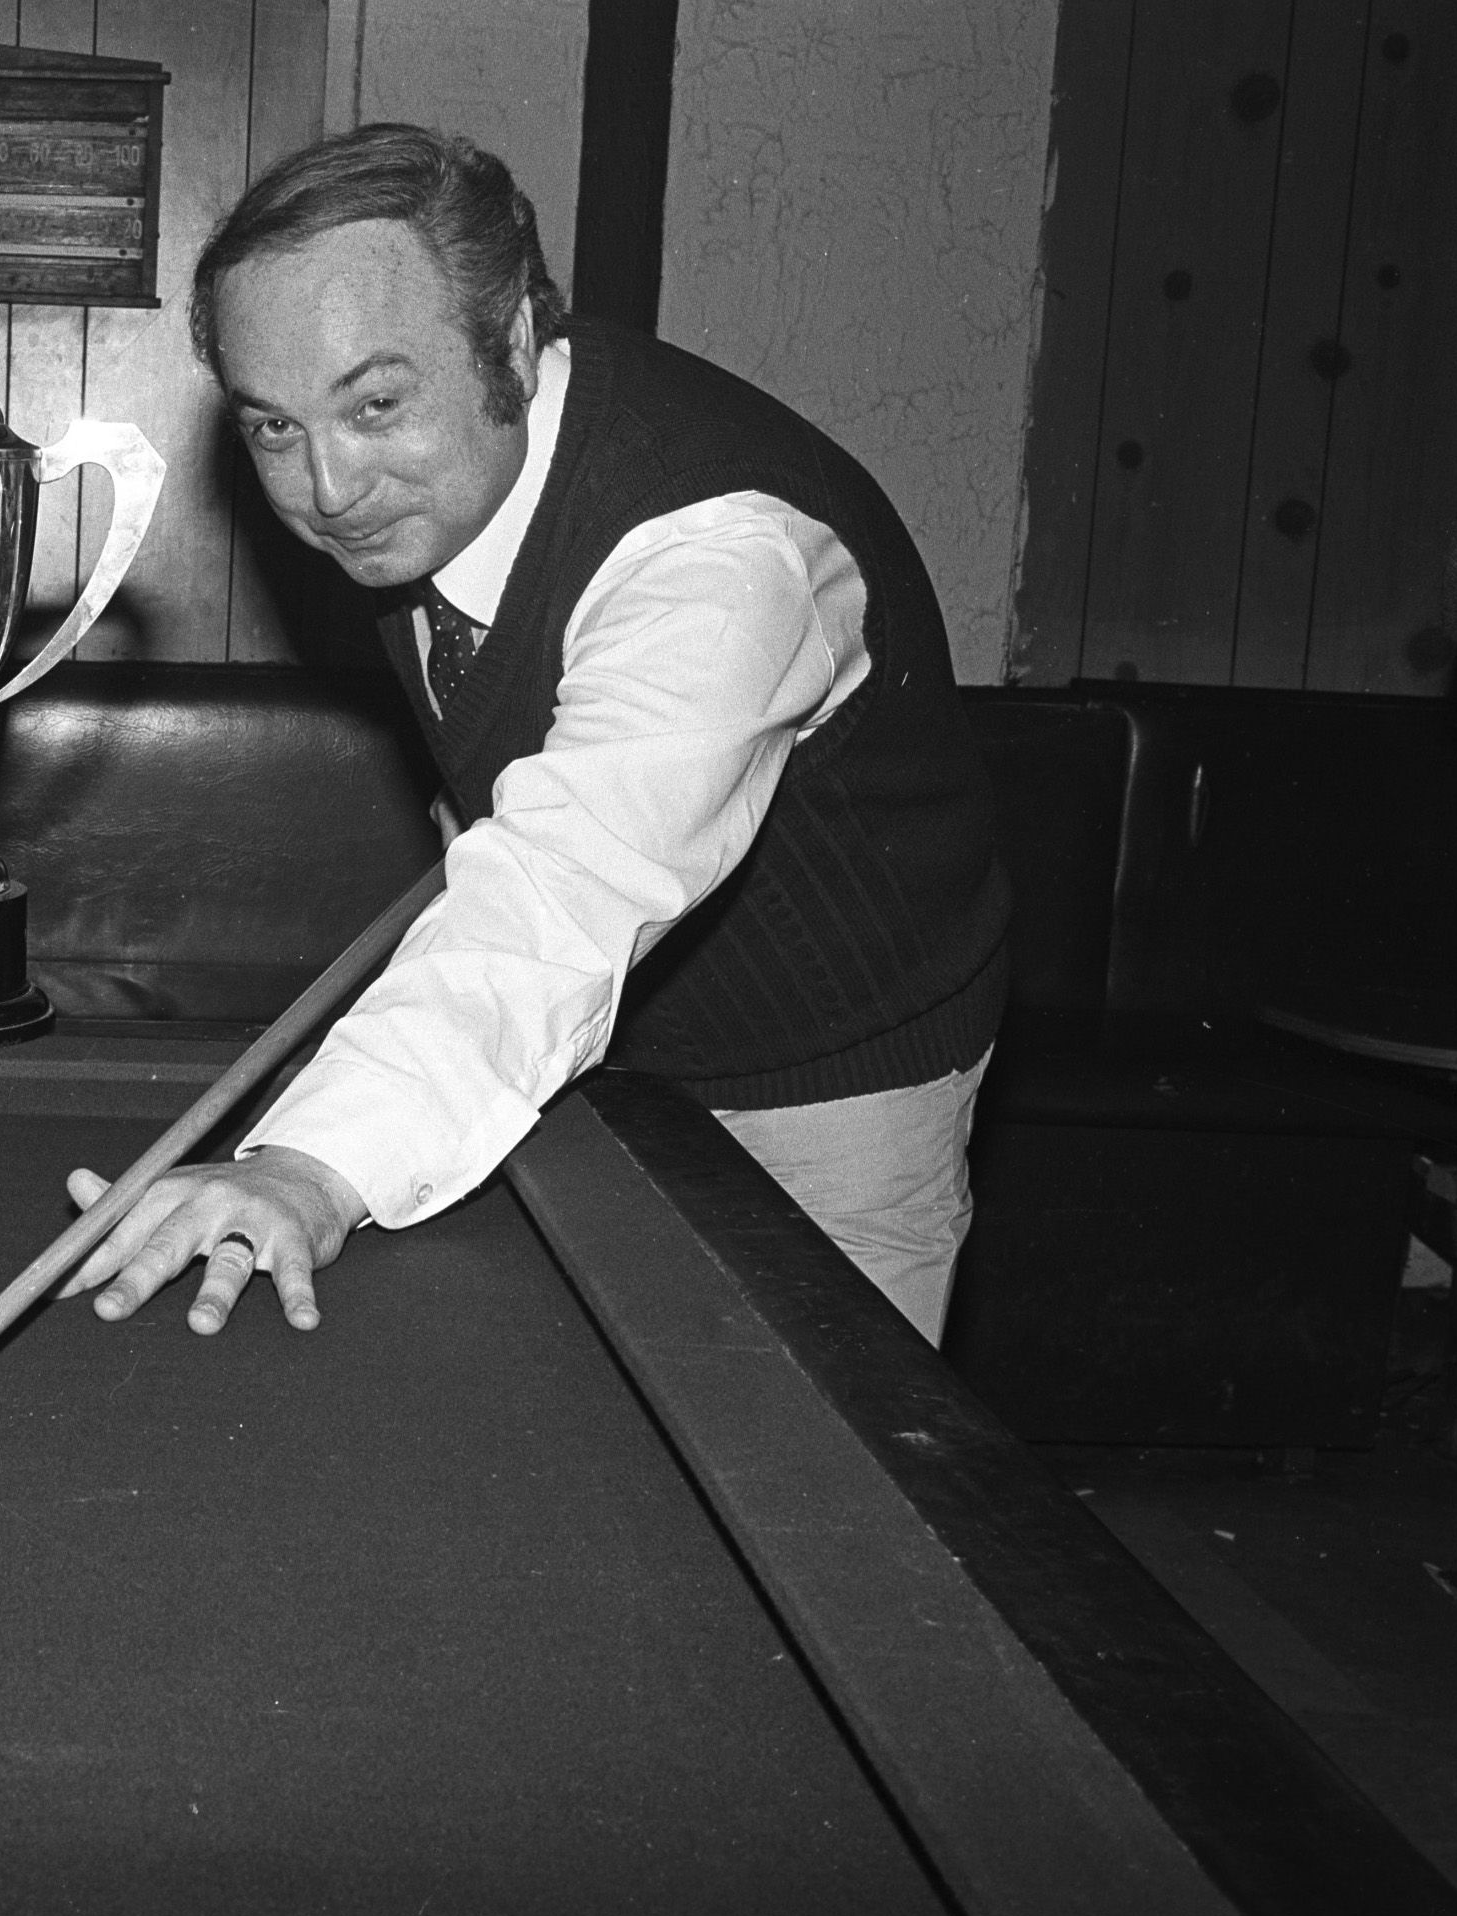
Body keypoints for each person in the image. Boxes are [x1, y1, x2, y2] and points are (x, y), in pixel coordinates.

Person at [66, 126, 1010, 1343]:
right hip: (596, 1063)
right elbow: (512, 762)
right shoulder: (433, 493)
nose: (329, 490)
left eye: (378, 404)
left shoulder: (716, 557)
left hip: (832, 1080)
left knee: (826, 1477)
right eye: (273, 429)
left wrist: (307, 1169)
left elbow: (567, 892)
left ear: (513, 342)